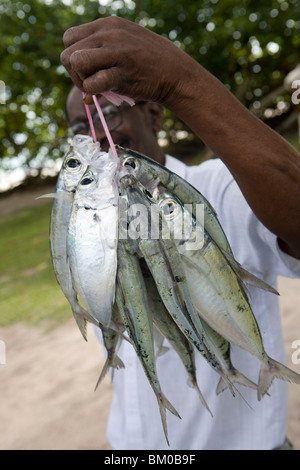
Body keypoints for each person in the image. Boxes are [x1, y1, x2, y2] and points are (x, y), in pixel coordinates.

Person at [61, 17, 300, 450]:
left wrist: (179, 79)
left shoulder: (219, 189)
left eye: (109, 111)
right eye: (80, 127)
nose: (95, 133)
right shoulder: (87, 221)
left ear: (153, 112)